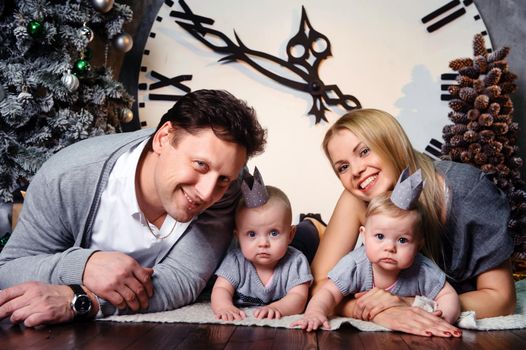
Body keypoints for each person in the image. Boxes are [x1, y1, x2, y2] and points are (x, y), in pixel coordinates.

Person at [0, 89, 267, 327]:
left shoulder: (227, 186)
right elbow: (8, 270)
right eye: (200, 165)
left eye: (222, 179)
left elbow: (183, 277)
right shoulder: (68, 177)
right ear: (163, 138)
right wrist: (83, 264)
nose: (207, 193)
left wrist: (82, 298)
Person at [307, 108, 516, 336]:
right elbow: (319, 284)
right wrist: (374, 310)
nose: (356, 170)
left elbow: (501, 298)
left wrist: (409, 304)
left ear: (392, 142)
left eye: (365, 151)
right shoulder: (357, 197)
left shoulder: (466, 189)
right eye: (343, 167)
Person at [292, 169, 461, 336]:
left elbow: (447, 294)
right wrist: (315, 312)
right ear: (364, 236)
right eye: (380, 236)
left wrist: (443, 317)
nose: (390, 248)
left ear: (418, 244)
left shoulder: (422, 269)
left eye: (402, 240)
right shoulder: (355, 265)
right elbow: (328, 292)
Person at [211, 168, 312, 321]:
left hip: (308, 238)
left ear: (290, 235)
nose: (263, 243)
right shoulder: (236, 261)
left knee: (309, 233)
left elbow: (299, 296)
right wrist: (224, 306)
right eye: (252, 234)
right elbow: (221, 289)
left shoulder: (295, 261)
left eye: (273, 233)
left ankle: (311, 221)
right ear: (238, 237)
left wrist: (278, 307)